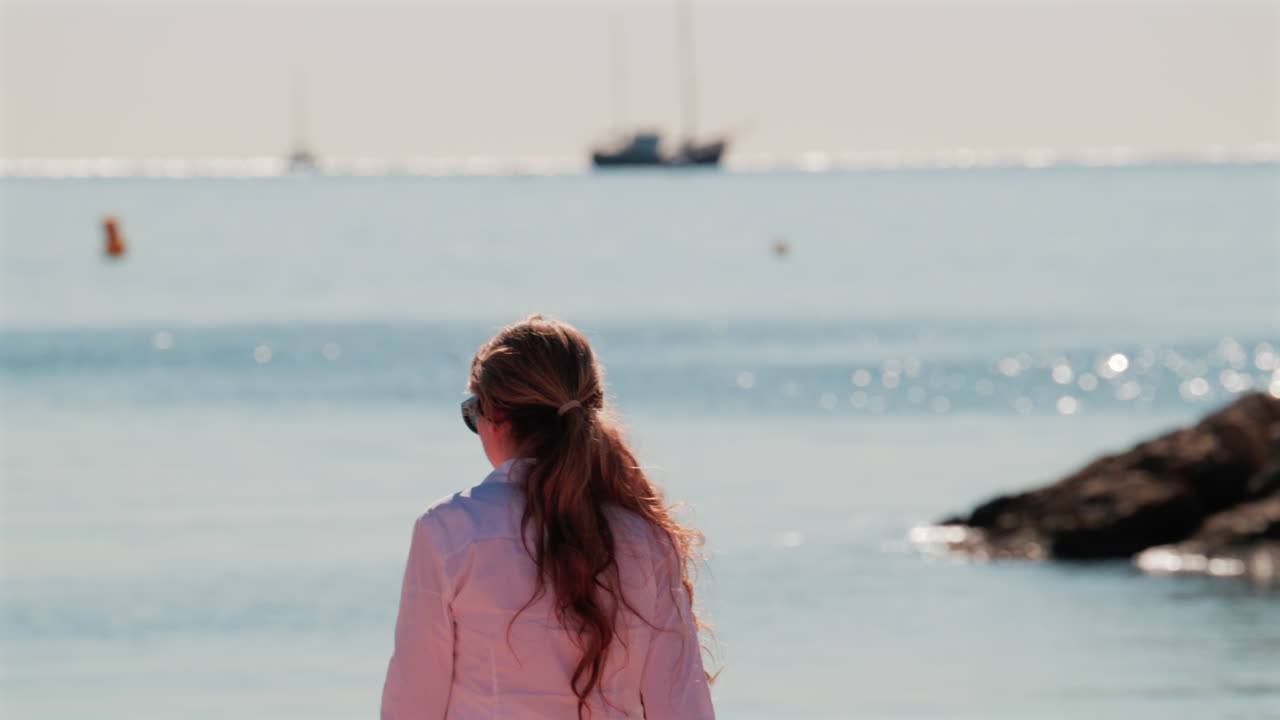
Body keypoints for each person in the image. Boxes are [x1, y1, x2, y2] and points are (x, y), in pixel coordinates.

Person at [382, 315, 716, 719]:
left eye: (472, 413)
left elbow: (413, 705)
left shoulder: (448, 531)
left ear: (497, 418)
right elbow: (683, 708)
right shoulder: (645, 539)